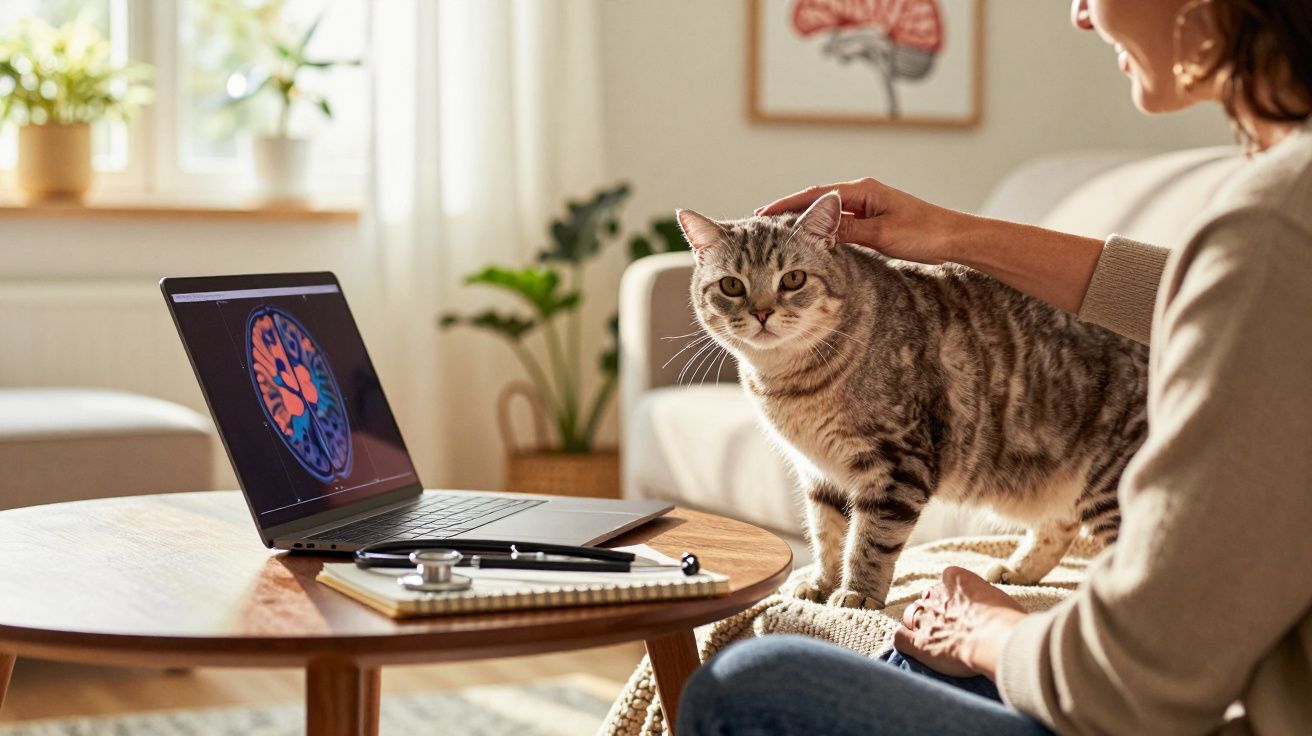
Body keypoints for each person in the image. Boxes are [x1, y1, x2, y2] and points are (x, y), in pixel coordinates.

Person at [676, 0, 1312, 734]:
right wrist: (954, 235)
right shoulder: (1280, 215)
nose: (1078, 13)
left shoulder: (1272, 226)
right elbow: (1210, 292)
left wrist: (985, 630)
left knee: (749, 680)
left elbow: (1137, 680)